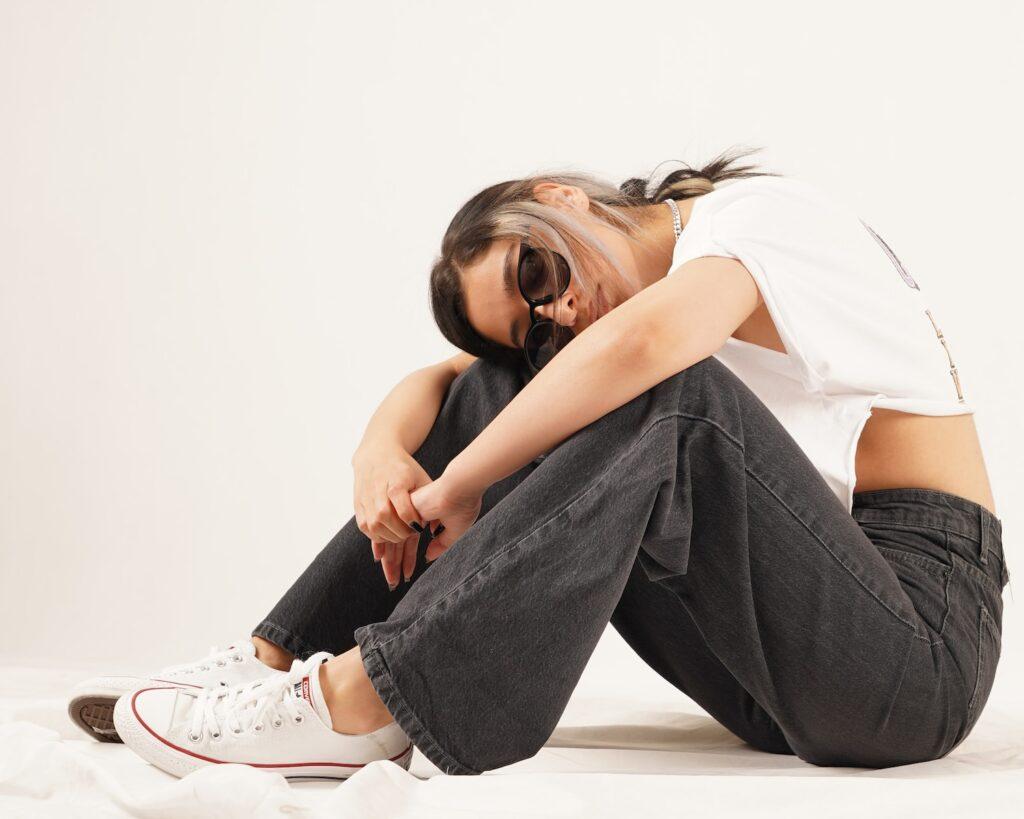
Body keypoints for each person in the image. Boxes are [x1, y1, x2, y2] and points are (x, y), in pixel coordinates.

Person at [69, 147, 1009, 780]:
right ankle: (270, 663)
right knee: (503, 392)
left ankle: (362, 699)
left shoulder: (757, 220)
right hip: (775, 674)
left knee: (671, 398)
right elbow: (447, 380)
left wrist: (458, 486)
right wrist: (379, 453)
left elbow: (650, 350)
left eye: (535, 276)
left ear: (558, 198)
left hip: (915, 651)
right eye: (535, 316)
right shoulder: (620, 325)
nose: (554, 312)